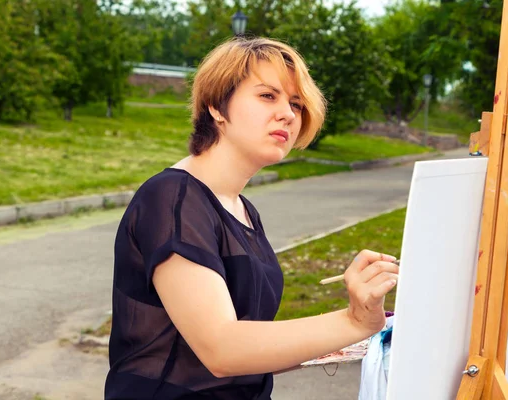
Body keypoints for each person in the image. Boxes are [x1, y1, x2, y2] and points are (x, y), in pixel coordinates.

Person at [104, 36, 399, 400]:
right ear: (216, 106)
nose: (289, 114)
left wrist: (364, 330)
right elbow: (222, 350)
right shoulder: (173, 199)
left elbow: (251, 349)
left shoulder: (241, 209)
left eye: (295, 103)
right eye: (267, 96)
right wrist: (352, 321)